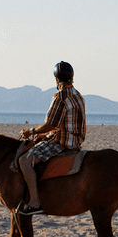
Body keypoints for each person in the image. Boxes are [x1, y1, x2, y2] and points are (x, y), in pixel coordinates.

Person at [16, 61, 87, 215]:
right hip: (75, 142)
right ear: (72, 77)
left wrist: (31, 131)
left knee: (25, 161)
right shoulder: (78, 95)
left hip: (61, 143)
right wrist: (43, 136)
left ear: (56, 80)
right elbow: (62, 125)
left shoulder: (60, 97)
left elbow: (50, 124)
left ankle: (34, 202)